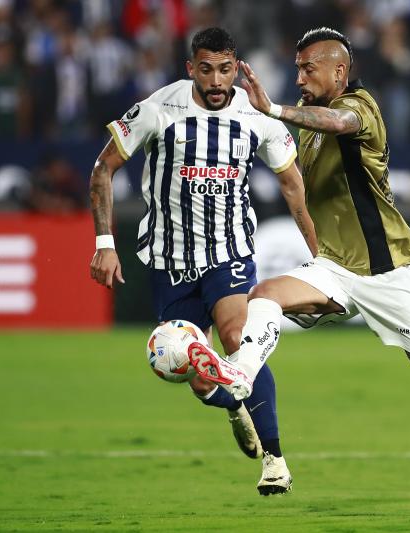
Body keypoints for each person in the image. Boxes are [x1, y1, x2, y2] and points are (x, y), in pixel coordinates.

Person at [186, 27, 410, 505]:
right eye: (296, 68)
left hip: (390, 270)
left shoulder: (362, 107)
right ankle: (240, 375)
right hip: (335, 267)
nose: (298, 77)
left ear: (339, 71)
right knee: (265, 294)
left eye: (308, 68)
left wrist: (274, 110)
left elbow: (339, 122)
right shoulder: (307, 132)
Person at [88, 27, 317, 496]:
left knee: (237, 337)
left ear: (238, 68)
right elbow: (102, 169)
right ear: (191, 68)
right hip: (170, 259)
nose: (216, 81)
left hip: (229, 251)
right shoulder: (158, 109)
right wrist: (105, 242)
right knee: (195, 376)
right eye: (206, 70)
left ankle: (275, 459)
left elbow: (293, 184)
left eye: (225, 70)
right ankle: (235, 406)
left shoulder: (258, 115)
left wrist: (320, 255)